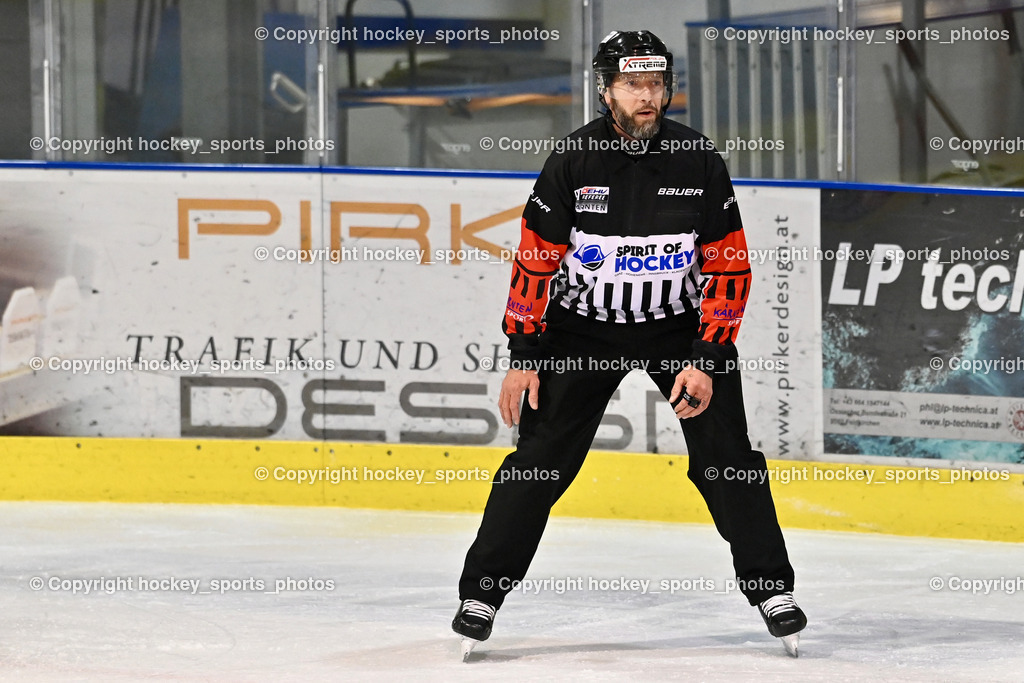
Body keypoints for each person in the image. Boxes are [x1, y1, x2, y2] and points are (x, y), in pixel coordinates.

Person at [452, 30, 806, 659]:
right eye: (634, 84)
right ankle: (482, 593)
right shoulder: (572, 161)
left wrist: (705, 359)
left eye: (657, 83)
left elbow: (730, 269)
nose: (649, 97)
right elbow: (534, 264)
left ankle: (772, 589)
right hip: (581, 329)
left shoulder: (699, 161)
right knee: (540, 461)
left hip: (677, 330)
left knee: (727, 456)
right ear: (606, 90)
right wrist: (523, 358)